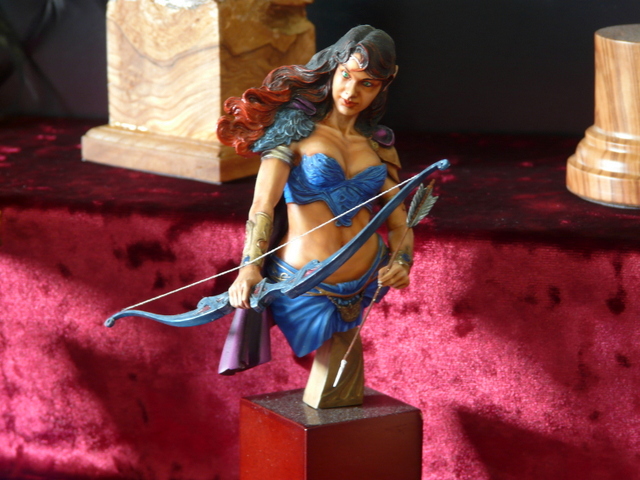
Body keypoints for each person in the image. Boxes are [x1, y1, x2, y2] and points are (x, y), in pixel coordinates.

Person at [217, 25, 413, 408]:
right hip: (302, 282)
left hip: (366, 280)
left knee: (342, 379)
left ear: (383, 85)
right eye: (346, 76)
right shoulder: (294, 132)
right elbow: (262, 205)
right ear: (333, 69)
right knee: (334, 376)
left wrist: (403, 260)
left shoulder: (379, 145)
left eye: (368, 84)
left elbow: (399, 221)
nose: (351, 92)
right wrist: (249, 268)